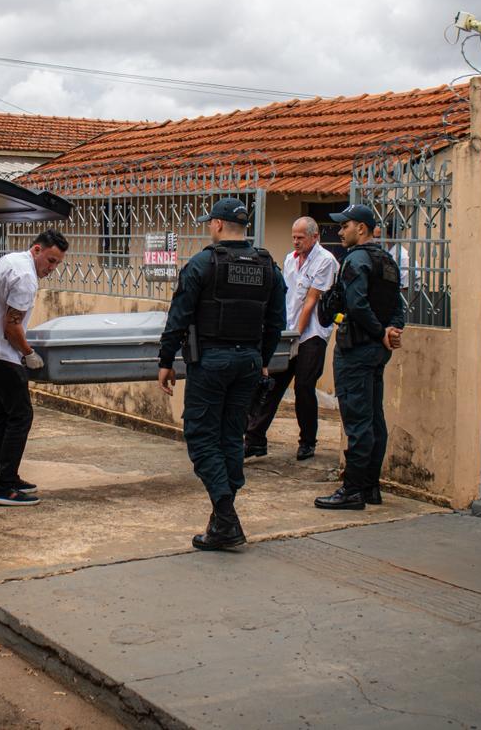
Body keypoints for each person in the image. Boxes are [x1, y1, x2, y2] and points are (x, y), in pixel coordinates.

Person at [157, 198, 286, 550]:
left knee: (200, 436)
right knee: (231, 437)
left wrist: (165, 360)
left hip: (211, 361)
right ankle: (220, 522)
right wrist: (263, 358)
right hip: (248, 363)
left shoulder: (203, 263)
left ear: (216, 225)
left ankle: (226, 517)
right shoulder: (267, 265)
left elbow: (178, 316)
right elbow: (277, 319)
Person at [0, 230, 68, 506]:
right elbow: (11, 327)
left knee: (4, 414)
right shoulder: (25, 278)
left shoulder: (11, 260)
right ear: (37, 249)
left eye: (57, 263)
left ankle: (6, 475)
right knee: (21, 415)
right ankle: (4, 487)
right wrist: (29, 353)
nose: (52, 268)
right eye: (50, 260)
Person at [315, 204, 404, 511]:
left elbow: (356, 304)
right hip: (377, 352)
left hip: (356, 349)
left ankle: (352, 490)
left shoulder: (355, 259)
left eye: (345, 226)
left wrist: (380, 332)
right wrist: (392, 330)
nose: (340, 231)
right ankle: (370, 488)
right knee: (374, 419)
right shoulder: (387, 261)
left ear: (361, 229)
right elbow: (397, 305)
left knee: (358, 422)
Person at [243, 216, 338, 461]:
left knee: (304, 387)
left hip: (312, 333)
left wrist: (296, 334)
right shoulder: (289, 259)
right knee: (271, 384)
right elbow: (287, 297)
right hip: (288, 332)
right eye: (293, 237)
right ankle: (254, 439)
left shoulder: (325, 261)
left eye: (300, 238)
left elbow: (311, 300)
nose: (296, 242)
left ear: (314, 237)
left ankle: (307, 441)